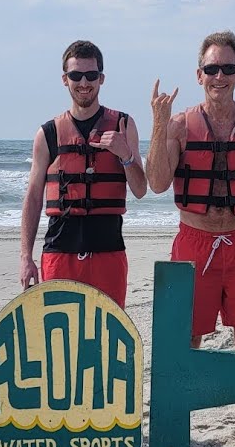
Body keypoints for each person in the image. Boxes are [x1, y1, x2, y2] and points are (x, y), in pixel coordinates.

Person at [145, 30, 235, 447]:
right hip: (194, 242)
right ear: (199, 73)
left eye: (227, 68)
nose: (218, 76)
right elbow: (156, 182)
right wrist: (157, 123)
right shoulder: (181, 125)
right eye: (211, 68)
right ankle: (180, 424)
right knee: (187, 336)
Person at [19, 40, 147, 308]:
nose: (84, 82)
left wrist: (125, 154)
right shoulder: (48, 133)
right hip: (59, 252)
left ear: (101, 78)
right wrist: (25, 257)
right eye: (76, 75)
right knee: (60, 339)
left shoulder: (123, 124)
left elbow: (140, 189)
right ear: (65, 79)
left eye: (91, 75)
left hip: (109, 251)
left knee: (108, 336)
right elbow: (32, 197)